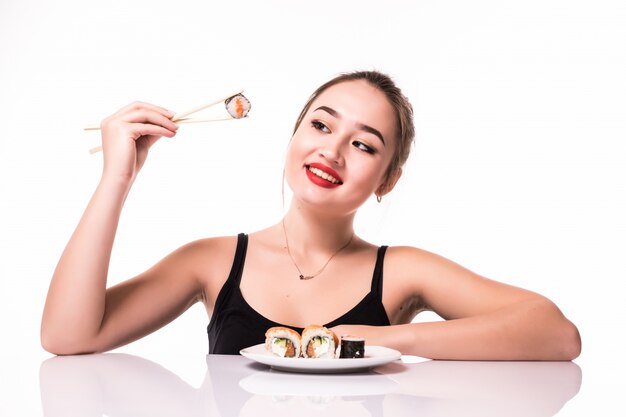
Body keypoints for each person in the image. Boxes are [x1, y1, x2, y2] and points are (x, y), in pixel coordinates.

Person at [41, 71, 581, 360]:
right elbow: (68, 337)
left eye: (364, 145)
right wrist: (118, 179)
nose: (332, 152)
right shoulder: (211, 260)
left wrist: (385, 340)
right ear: (295, 136)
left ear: (387, 180)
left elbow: (556, 334)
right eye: (321, 126)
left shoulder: (404, 271)